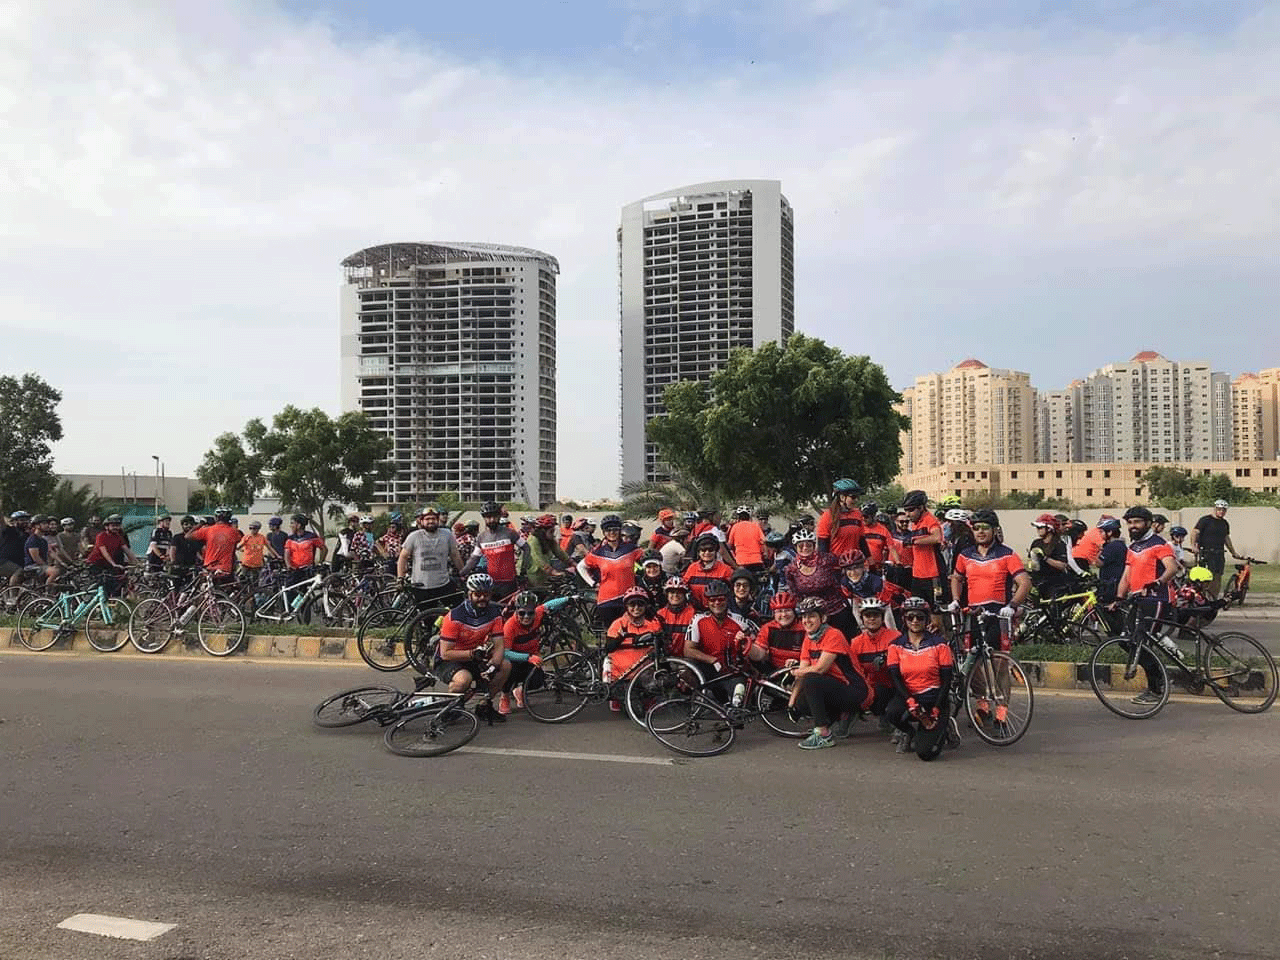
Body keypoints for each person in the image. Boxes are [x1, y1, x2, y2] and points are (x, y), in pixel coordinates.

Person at [1116, 506, 1180, 706]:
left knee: (1142, 643)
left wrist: (1159, 581)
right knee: (1125, 640)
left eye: (1136, 522)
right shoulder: (1133, 547)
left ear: (1148, 523)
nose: (1132, 526)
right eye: (1130, 523)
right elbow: (1126, 575)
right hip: (1137, 599)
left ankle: (1157, 688)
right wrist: (1118, 598)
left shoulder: (1159, 544)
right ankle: (1159, 680)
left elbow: (1172, 567)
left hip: (1156, 599)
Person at [788, 596, 870, 750]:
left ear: (823, 617)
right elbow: (802, 672)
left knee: (812, 679)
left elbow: (820, 669)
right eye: (804, 617)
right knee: (802, 703)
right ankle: (841, 715)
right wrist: (791, 703)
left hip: (856, 689)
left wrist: (795, 671)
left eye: (811, 616)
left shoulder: (834, 634)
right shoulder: (808, 638)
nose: (806, 621)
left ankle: (823, 734)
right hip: (835, 688)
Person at [435, 572, 510, 722]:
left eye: (486, 594)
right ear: (469, 594)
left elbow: (499, 644)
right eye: (478, 594)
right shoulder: (455, 616)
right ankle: (450, 708)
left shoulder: (494, 613)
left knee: (505, 665)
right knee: (464, 680)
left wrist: (493, 665)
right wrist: (471, 654)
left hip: (475, 656)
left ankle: (484, 706)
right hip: (450, 659)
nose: (483, 598)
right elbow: (445, 653)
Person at [885, 596, 955, 754]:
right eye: (910, 617)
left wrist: (937, 708)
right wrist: (909, 701)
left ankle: (945, 726)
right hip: (910, 695)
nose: (915, 621)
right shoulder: (895, 646)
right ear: (904, 619)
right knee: (892, 712)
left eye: (920, 617)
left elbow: (946, 680)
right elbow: (895, 678)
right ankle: (909, 733)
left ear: (926, 619)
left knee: (925, 754)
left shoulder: (940, 644)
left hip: (935, 697)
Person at [497, 589, 570, 715]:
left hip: (531, 657)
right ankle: (505, 696)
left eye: (530, 613)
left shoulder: (538, 614)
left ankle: (520, 691)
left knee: (539, 680)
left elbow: (550, 604)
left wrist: (570, 598)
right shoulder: (510, 626)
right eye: (522, 613)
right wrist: (528, 657)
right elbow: (505, 652)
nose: (526, 617)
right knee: (508, 670)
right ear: (516, 611)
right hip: (515, 658)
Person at [603, 586, 664, 711]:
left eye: (640, 604)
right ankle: (618, 698)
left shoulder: (652, 625)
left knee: (662, 683)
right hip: (621, 677)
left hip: (644, 674)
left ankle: (646, 698)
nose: (636, 608)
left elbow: (662, 646)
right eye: (632, 604)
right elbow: (608, 648)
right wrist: (620, 637)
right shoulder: (618, 624)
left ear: (646, 606)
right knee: (637, 711)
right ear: (626, 606)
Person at [683, 579, 751, 692]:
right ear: (707, 602)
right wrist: (712, 660)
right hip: (709, 669)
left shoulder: (740, 621)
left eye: (721, 599)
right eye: (712, 600)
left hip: (733, 672)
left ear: (727, 600)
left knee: (738, 695)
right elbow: (688, 650)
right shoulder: (698, 620)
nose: (717, 603)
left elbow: (753, 645)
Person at [784, 529, 854, 637]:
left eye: (808, 545)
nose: (805, 548)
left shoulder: (827, 559)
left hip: (836, 610)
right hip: (813, 615)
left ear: (814, 546)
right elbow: (794, 593)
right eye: (801, 546)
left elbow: (845, 570)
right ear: (795, 548)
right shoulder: (791, 569)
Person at [576, 514, 642, 628]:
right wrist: (593, 583)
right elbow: (581, 567)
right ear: (603, 532)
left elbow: (646, 562)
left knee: (629, 633)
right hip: (606, 601)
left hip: (628, 599)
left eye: (615, 529)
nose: (612, 532)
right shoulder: (598, 552)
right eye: (608, 530)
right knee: (611, 635)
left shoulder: (632, 549)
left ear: (620, 530)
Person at [848, 596, 900, 730]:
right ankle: (849, 716)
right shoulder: (856, 642)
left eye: (876, 615)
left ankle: (887, 716)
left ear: (882, 618)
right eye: (868, 615)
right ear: (862, 618)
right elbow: (854, 670)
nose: (872, 619)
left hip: (893, 686)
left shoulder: (895, 637)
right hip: (869, 687)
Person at [398, 506, 464, 607]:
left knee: (456, 609)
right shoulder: (414, 536)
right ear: (421, 521)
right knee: (427, 619)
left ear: (438, 520)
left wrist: (463, 572)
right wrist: (400, 578)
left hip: (443, 583)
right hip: (421, 586)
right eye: (427, 519)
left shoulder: (447, 534)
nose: (430, 521)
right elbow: (403, 557)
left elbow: (455, 555)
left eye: (433, 518)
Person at [460, 501, 527, 601]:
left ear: (499, 517)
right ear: (484, 518)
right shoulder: (481, 537)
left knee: (508, 612)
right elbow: (474, 558)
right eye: (488, 517)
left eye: (494, 517)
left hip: (509, 582)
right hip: (490, 583)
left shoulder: (510, 533)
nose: (491, 520)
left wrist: (523, 571)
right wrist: (462, 572)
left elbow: (527, 548)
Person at [900, 490, 944, 607]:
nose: (907, 514)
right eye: (906, 510)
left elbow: (937, 537)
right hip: (917, 575)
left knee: (936, 613)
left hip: (933, 575)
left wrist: (915, 541)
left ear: (921, 507)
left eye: (911, 510)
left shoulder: (930, 520)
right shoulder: (914, 523)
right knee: (917, 611)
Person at [1190, 500, 1240, 598]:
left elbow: (1226, 538)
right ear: (1215, 509)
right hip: (1205, 552)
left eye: (1224, 510)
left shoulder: (1224, 523)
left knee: (1217, 576)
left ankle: (1214, 598)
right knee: (1205, 576)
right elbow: (1195, 532)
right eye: (1219, 509)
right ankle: (1202, 597)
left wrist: (1233, 552)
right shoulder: (1205, 520)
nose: (1221, 512)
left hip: (1219, 553)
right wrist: (1193, 546)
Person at [747, 591, 806, 672]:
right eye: (779, 611)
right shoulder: (768, 628)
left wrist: (799, 663)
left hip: (799, 668)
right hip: (774, 671)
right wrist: (747, 644)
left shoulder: (804, 628)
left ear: (794, 611)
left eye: (787, 610)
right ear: (774, 614)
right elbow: (759, 654)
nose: (784, 615)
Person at [186, 506, 243, 583]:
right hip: (226, 569)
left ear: (216, 518)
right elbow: (239, 538)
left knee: (207, 591)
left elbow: (187, 536)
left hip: (210, 567)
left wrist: (201, 523)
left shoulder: (208, 530)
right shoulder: (234, 532)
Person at [86, 514, 138, 596]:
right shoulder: (101, 536)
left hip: (108, 564)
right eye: (113, 526)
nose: (116, 528)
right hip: (95, 563)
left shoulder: (118, 537)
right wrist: (113, 564)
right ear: (107, 527)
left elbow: (127, 551)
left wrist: (138, 564)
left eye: (118, 526)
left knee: (115, 585)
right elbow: (104, 552)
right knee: (101, 586)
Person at [681, 532, 735, 610]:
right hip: (695, 610)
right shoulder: (692, 568)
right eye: (703, 550)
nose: (707, 553)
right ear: (699, 552)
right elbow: (684, 586)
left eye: (710, 550)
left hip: (718, 611)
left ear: (716, 551)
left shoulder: (726, 570)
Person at [1026, 513, 1072, 600]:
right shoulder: (1036, 543)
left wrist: (1045, 558)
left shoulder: (1059, 544)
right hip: (1039, 582)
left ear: (1049, 528)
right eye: (1037, 527)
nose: (1038, 530)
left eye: (1040, 527)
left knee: (1053, 610)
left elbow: (1062, 565)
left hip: (1054, 584)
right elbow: (1031, 564)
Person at [816, 478, 865, 557]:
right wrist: (825, 565)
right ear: (842, 497)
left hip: (854, 564)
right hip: (836, 564)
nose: (856, 500)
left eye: (857, 497)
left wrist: (871, 563)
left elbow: (862, 541)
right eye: (853, 497)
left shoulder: (857, 514)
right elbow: (823, 545)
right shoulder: (828, 516)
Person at [525, 513, 573, 591]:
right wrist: (553, 572)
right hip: (532, 575)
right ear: (543, 531)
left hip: (543, 574)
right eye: (551, 531)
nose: (553, 534)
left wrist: (573, 563)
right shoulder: (533, 540)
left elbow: (559, 552)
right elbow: (538, 558)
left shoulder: (549, 539)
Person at [283, 514, 327, 595]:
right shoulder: (290, 538)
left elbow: (324, 549)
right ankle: (292, 607)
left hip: (307, 570)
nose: (291, 525)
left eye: (292, 523)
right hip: (294, 570)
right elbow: (287, 553)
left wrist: (320, 562)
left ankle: (304, 607)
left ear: (299, 525)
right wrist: (288, 565)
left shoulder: (311, 536)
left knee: (305, 593)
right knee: (290, 593)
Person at [656, 577, 696, 657]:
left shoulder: (693, 614)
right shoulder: (660, 614)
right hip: (665, 659)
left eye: (679, 592)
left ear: (685, 595)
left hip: (687, 659)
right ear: (666, 595)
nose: (675, 595)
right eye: (672, 592)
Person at [726, 505, 767, 573]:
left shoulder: (735, 527)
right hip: (757, 560)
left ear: (738, 517)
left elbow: (730, 545)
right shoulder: (756, 526)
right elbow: (764, 541)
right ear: (749, 516)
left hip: (741, 561)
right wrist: (765, 554)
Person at [24, 515, 61, 586]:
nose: (47, 525)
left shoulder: (43, 540)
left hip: (40, 566)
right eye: (44, 524)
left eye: (47, 523)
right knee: (55, 572)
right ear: (37, 526)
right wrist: (47, 566)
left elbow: (50, 552)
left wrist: (62, 563)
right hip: (32, 567)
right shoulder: (33, 540)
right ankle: (48, 592)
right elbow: (36, 558)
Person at [858, 501, 893, 572]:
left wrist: (897, 561)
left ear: (873, 516)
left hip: (876, 568)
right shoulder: (858, 528)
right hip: (860, 567)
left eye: (866, 517)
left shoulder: (883, 530)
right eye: (861, 516)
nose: (863, 519)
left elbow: (891, 547)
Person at [1, 511, 32, 588]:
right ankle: (13, 596)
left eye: (26, 520)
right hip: (3, 561)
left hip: (17, 562)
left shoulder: (26, 535)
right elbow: (2, 521)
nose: (25, 522)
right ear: (14, 521)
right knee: (18, 572)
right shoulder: (10, 530)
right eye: (21, 520)